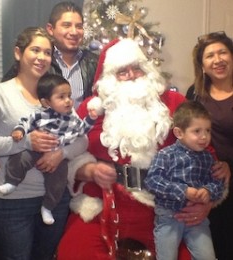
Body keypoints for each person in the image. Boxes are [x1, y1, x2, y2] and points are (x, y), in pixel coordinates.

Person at [56, 38, 230, 260]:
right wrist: (87, 171)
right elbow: (67, 155)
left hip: (165, 208)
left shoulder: (174, 103)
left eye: (136, 68)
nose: (131, 75)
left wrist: (206, 201)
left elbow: (206, 155)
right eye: (122, 71)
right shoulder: (92, 110)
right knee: (73, 252)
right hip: (102, 205)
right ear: (109, 78)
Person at [0, 27, 89, 260]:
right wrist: (25, 142)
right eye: (35, 50)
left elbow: (82, 139)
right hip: (12, 203)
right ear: (18, 53)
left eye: (47, 52)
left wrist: (62, 153)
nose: (41, 57)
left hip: (54, 199)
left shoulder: (58, 94)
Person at [0, 74, 97, 225]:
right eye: (61, 97)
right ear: (46, 102)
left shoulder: (73, 119)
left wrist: (90, 118)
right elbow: (25, 123)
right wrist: (19, 131)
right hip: (35, 150)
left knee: (59, 179)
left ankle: (48, 206)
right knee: (20, 157)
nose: (68, 100)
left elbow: (82, 132)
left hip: (57, 154)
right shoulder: (39, 115)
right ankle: (12, 181)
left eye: (69, 96)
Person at [145, 101, 226, 260]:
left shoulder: (207, 157)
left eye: (208, 131)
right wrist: (183, 191)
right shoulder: (166, 155)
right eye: (197, 131)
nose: (204, 137)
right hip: (169, 218)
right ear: (179, 133)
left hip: (197, 220)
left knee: (208, 256)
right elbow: (152, 181)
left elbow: (218, 183)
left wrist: (208, 191)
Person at [186, 31, 233, 260]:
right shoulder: (194, 95)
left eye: (223, 52)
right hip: (206, 183)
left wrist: (230, 166)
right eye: (210, 55)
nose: (218, 60)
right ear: (202, 65)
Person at [2, 1, 98, 109]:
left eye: (79, 26)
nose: (74, 32)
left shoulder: (94, 63)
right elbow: (7, 95)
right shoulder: (39, 61)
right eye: (66, 25)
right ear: (50, 29)